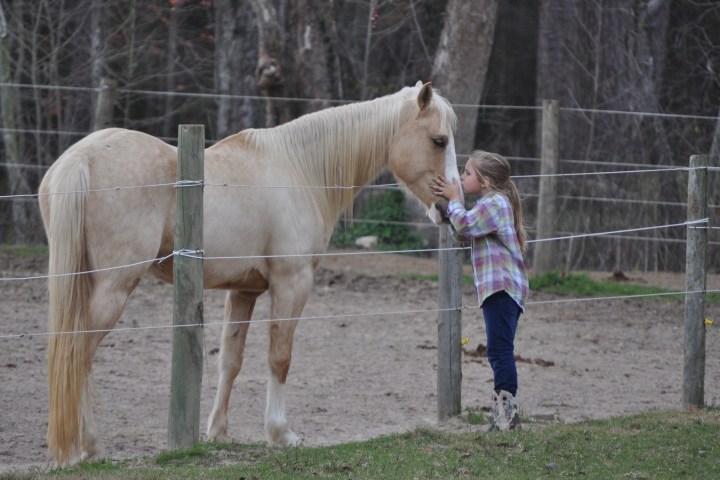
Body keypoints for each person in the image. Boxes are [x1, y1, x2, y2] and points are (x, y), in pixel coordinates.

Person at [432, 150, 529, 431]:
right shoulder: (491, 204)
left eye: (467, 173)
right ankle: (505, 415)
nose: (461, 177)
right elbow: (465, 230)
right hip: (499, 289)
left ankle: (506, 417)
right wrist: (452, 208)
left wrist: (454, 201)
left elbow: (465, 224)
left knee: (500, 352)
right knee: (499, 351)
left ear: (484, 180)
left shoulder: (494, 204)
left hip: (501, 288)